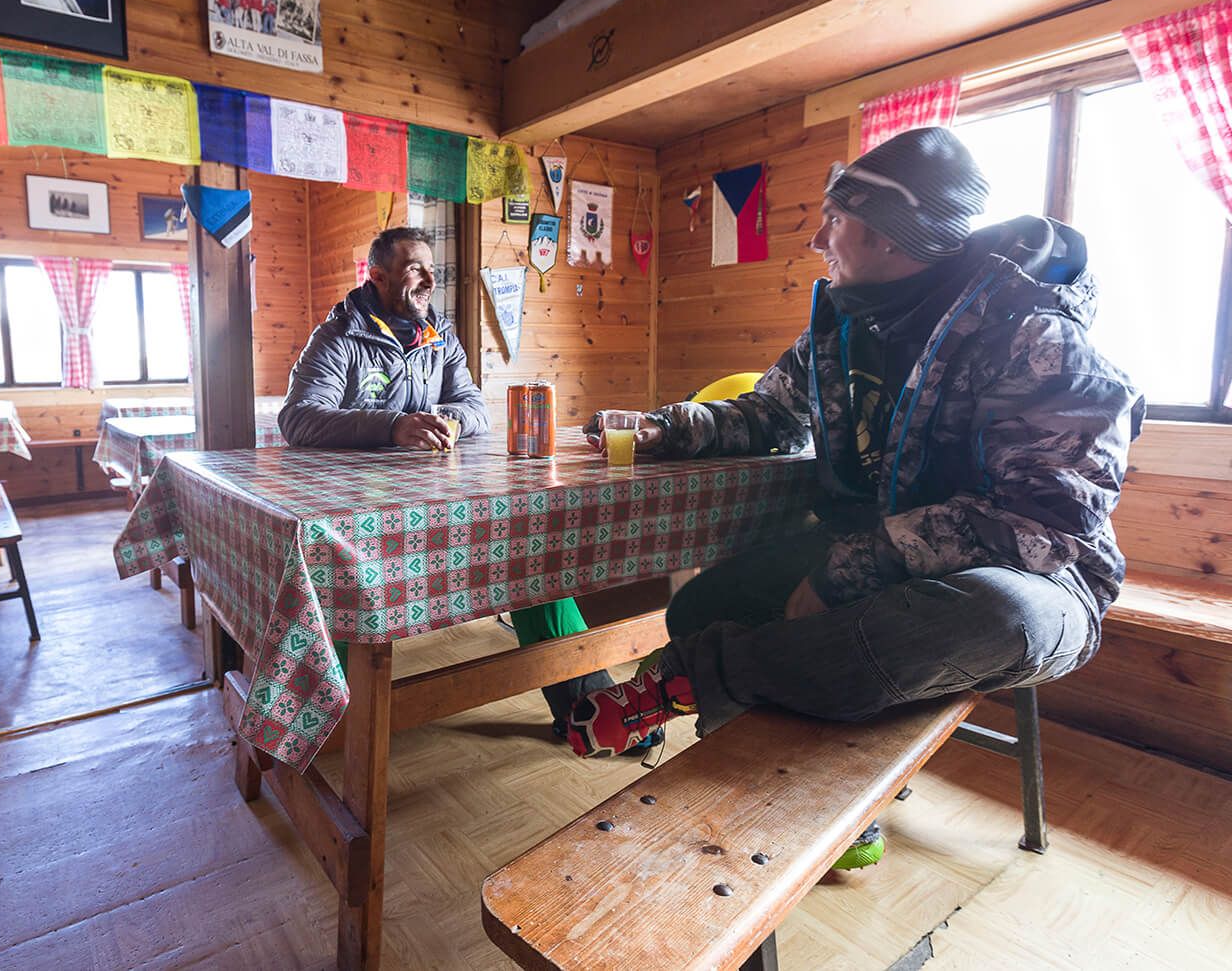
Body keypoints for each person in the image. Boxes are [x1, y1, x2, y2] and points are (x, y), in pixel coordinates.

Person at [571, 128, 1144, 861]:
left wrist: (851, 566)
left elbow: (1045, 526)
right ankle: (782, 777)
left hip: (1042, 582)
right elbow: (768, 413)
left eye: (834, 220)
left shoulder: (1034, 336)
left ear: (887, 235)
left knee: (996, 616)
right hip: (878, 544)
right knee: (700, 605)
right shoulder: (843, 326)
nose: (817, 238)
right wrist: (664, 428)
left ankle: (705, 691)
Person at [280, 227, 644, 744]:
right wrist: (392, 426)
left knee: (528, 549)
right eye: (413, 269)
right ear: (377, 277)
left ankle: (587, 709)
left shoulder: (440, 335)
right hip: (356, 508)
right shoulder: (338, 336)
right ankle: (317, 728)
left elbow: (475, 410)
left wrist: (445, 420)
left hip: (437, 497)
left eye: (431, 268)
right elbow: (297, 420)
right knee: (330, 576)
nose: (428, 279)